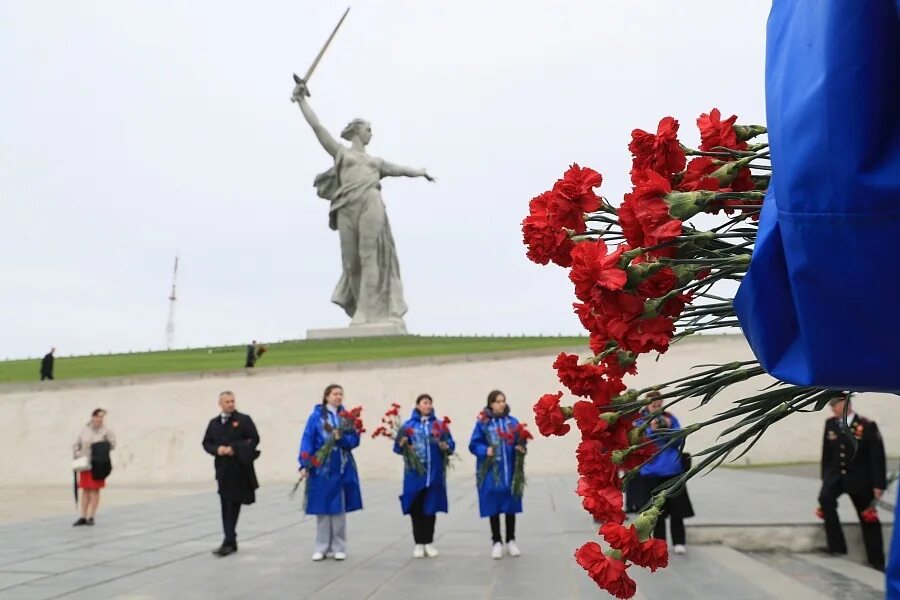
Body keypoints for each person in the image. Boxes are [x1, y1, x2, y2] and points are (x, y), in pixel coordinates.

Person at [291, 79, 435, 327]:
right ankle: (361, 306)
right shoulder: (342, 153)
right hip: (345, 206)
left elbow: (399, 169)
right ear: (357, 131)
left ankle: (366, 312)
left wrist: (419, 171)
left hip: (370, 203)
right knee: (351, 261)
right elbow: (317, 127)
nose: (371, 133)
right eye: (368, 129)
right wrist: (302, 100)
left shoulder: (375, 163)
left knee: (369, 256)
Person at [818, 392, 886, 571]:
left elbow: (877, 457)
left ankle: (876, 560)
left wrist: (879, 484)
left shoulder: (867, 425)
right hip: (836, 477)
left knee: (868, 518)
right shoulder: (830, 423)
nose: (832, 408)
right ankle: (836, 546)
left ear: (844, 404)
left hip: (861, 479)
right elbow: (827, 453)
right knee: (825, 499)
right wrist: (825, 478)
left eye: (834, 404)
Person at [298, 384, 363, 561]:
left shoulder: (347, 418)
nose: (338, 397)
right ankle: (321, 546)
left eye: (341, 394)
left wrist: (341, 438)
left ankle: (339, 546)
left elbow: (354, 440)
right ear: (327, 396)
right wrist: (305, 463)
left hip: (341, 467)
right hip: (322, 467)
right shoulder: (316, 418)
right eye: (335, 394)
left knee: (339, 508)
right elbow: (307, 439)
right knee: (322, 508)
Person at [394, 394, 455, 558]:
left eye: (430, 403)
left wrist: (445, 446)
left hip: (434, 474)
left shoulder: (439, 426)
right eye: (424, 403)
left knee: (430, 509)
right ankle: (418, 543)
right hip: (414, 474)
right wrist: (402, 444)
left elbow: (451, 445)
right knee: (416, 509)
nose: (427, 406)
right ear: (418, 405)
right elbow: (398, 448)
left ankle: (429, 541)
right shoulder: (408, 426)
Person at [202, 391, 260, 557]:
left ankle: (229, 539)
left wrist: (234, 448)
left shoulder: (243, 420)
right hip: (222, 470)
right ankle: (230, 539)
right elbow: (206, 443)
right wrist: (218, 450)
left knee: (233, 504)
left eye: (232, 401)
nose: (231, 404)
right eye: (227, 401)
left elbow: (254, 439)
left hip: (239, 469)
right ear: (220, 403)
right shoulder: (214, 423)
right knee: (225, 504)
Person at [469, 390, 525, 559]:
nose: (502, 404)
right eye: (498, 401)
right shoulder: (483, 423)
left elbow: (520, 441)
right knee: (493, 505)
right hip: (491, 472)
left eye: (503, 400)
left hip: (510, 472)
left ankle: (511, 540)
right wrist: (485, 450)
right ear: (491, 403)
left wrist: (521, 448)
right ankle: (496, 542)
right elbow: (474, 444)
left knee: (510, 506)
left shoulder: (512, 422)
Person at [639, 391, 694, 555]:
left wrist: (669, 428)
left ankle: (679, 542)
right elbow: (639, 443)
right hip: (652, 472)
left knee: (677, 511)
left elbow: (680, 439)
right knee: (656, 513)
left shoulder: (670, 418)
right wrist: (651, 431)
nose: (656, 407)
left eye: (658, 404)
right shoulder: (641, 422)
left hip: (672, 471)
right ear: (647, 404)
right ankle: (659, 544)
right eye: (652, 404)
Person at [72, 408, 116, 526]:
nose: (99, 419)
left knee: (94, 490)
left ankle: (92, 516)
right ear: (92, 417)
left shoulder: (106, 431)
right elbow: (77, 444)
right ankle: (83, 516)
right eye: (97, 416)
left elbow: (112, 444)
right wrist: (77, 453)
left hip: (99, 464)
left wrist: (101, 449)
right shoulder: (85, 429)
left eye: (101, 417)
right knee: (85, 489)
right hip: (85, 463)